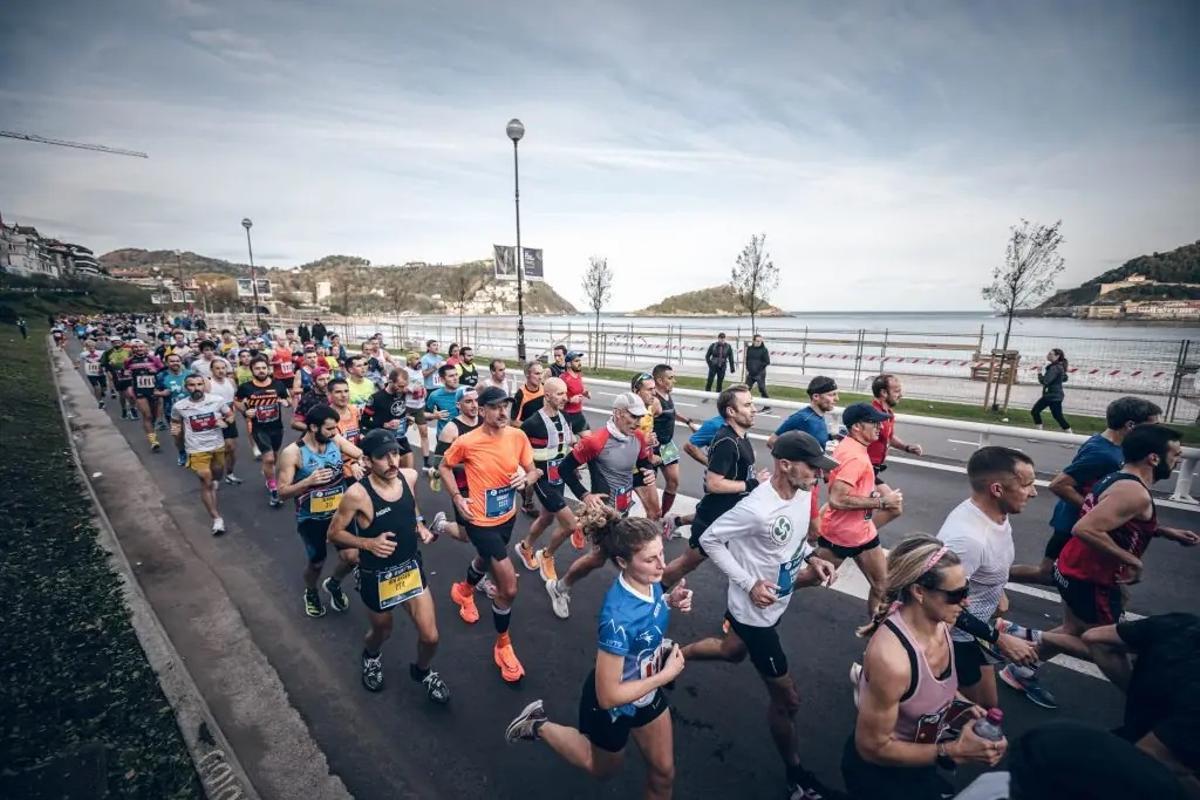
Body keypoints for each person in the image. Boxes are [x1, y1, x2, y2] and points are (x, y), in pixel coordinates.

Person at [683, 432, 839, 799]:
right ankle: (796, 775)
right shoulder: (755, 508)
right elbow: (710, 540)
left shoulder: (801, 493)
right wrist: (749, 582)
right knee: (788, 701)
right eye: (812, 467)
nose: (818, 474)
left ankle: (672, 657)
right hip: (756, 613)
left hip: (776, 600)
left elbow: (794, 540)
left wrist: (812, 558)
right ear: (785, 465)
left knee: (732, 651)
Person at [505, 511, 693, 800]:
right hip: (614, 705)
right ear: (622, 562)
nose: (662, 564)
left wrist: (669, 600)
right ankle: (538, 725)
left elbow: (650, 608)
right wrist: (664, 676)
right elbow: (608, 696)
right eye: (650, 559)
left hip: (646, 691)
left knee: (664, 773)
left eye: (662, 554)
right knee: (601, 769)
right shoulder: (617, 618)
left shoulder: (649, 581)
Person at [1005, 425, 1199, 705]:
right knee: (1106, 644)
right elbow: (1086, 527)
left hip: (1072, 568)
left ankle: (1021, 667)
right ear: (1154, 458)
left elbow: (1118, 520)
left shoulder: (1118, 477)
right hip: (1092, 578)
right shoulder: (1134, 492)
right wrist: (1131, 560)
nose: (1179, 460)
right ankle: (1144, 702)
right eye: (1175, 454)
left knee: (1074, 631)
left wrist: (1163, 531)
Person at [845, 535, 1004, 800]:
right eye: (956, 595)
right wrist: (953, 751)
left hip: (919, 758)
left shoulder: (943, 622)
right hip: (881, 777)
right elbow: (871, 747)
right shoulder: (892, 661)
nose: (966, 602)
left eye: (966, 590)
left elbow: (929, 689)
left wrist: (962, 706)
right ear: (919, 592)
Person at [326, 429, 449, 703]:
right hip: (377, 575)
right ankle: (371, 656)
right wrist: (368, 544)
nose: (393, 461)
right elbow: (334, 534)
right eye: (383, 457)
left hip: (409, 568)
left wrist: (419, 525)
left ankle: (422, 671)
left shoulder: (408, 476)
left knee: (430, 637)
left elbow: (411, 505)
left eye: (395, 453)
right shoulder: (357, 494)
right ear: (367, 461)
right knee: (382, 631)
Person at [439, 386, 541, 683]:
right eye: (495, 407)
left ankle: (464, 591)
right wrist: (457, 498)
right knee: (509, 588)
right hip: (479, 520)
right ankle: (503, 645)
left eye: (504, 406)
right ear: (482, 410)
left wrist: (526, 478)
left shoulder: (517, 436)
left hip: (506, 516)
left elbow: (534, 470)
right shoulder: (467, 441)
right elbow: (444, 466)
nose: (502, 412)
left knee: (484, 559)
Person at [936, 447, 1047, 711]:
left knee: (987, 707)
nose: (1034, 492)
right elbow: (938, 605)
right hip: (952, 636)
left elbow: (985, 567)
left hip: (976, 629)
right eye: (1027, 484)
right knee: (973, 714)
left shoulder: (994, 514)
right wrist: (1000, 639)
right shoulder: (967, 540)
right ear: (997, 489)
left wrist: (998, 589)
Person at [1010, 396, 1162, 587]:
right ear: (1130, 425)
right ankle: (987, 576)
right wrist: (1092, 511)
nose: (1158, 433)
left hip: (1082, 523)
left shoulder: (1113, 446)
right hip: (1072, 524)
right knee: (1050, 575)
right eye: (1153, 427)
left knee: (1073, 578)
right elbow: (1059, 485)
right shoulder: (1102, 453)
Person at [545, 392, 657, 619]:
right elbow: (564, 469)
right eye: (633, 417)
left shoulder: (638, 437)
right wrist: (585, 495)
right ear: (618, 413)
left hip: (624, 507)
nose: (637, 422)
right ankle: (560, 588)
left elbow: (641, 468)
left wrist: (649, 474)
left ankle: (563, 587)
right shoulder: (595, 441)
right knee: (607, 556)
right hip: (603, 514)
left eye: (640, 417)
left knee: (615, 555)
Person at [662, 385, 766, 590]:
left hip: (732, 513)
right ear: (731, 411)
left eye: (752, 404)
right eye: (747, 405)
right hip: (715, 517)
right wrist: (753, 483)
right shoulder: (727, 441)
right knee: (687, 563)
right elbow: (713, 484)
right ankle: (656, 589)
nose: (754, 409)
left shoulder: (741, 436)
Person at [1082, 613, 1200, 793]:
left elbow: (1095, 638)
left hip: (1123, 743)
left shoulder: (1180, 623)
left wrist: (1134, 689)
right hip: (1134, 776)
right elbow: (1150, 756)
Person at [276, 404, 364, 618]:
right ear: (313, 427)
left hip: (340, 514)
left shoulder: (335, 440)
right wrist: (307, 481)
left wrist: (356, 463)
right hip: (312, 518)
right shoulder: (293, 453)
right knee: (317, 563)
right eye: (329, 429)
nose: (335, 432)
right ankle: (311, 591)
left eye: (335, 428)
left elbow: (361, 454)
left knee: (352, 557)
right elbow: (282, 493)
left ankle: (333, 584)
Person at [815, 402, 903, 615]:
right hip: (842, 535)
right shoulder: (855, 457)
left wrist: (871, 495)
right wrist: (882, 502)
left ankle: (875, 628)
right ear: (856, 427)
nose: (879, 427)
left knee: (882, 585)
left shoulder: (852, 446)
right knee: (812, 577)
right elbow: (837, 499)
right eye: (873, 423)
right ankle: (775, 591)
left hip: (863, 532)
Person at [513, 377, 581, 583]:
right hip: (542, 479)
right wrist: (526, 473)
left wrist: (573, 466)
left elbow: (565, 446)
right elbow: (516, 450)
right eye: (560, 394)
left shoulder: (566, 417)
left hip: (559, 477)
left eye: (565, 393)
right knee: (570, 524)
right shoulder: (532, 423)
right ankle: (547, 555)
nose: (565, 398)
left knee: (547, 518)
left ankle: (525, 547)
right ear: (547, 395)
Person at [170, 373, 235, 535]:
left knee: (217, 474)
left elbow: (230, 416)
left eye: (199, 384)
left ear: (204, 386)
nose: (196, 388)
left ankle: (214, 483)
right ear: (186, 387)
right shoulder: (179, 406)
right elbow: (175, 422)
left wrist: (225, 422)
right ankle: (217, 519)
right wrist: (176, 431)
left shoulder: (216, 400)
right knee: (206, 480)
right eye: (192, 385)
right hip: (196, 449)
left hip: (217, 445)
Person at [234, 355, 292, 507]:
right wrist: (245, 411)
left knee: (274, 456)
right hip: (259, 428)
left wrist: (285, 402)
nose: (261, 371)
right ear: (252, 370)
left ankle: (268, 472)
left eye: (263, 368)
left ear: (268, 369)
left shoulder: (278, 384)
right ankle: (273, 487)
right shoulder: (246, 387)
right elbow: (237, 401)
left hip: (276, 427)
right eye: (257, 368)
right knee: (269, 459)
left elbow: (288, 400)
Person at [427, 387, 481, 542]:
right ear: (458, 405)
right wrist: (471, 465)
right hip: (462, 485)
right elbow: (438, 464)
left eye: (476, 400)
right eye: (468, 401)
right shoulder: (451, 429)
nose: (474, 405)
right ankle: (441, 524)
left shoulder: (484, 422)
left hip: (484, 482)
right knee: (466, 536)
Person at [649, 364, 700, 520]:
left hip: (667, 446)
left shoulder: (666, 395)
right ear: (659, 380)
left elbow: (672, 412)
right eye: (670, 378)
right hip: (651, 448)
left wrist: (688, 422)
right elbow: (641, 422)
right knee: (648, 488)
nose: (674, 381)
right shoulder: (653, 400)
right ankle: (652, 518)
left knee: (673, 481)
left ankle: (663, 517)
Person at [868, 374, 923, 485]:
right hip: (864, 467)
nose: (901, 395)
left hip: (874, 468)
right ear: (884, 393)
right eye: (897, 391)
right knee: (887, 495)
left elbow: (888, 437)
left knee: (886, 494)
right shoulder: (871, 414)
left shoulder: (888, 413)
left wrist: (906, 447)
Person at [360, 368, 415, 469]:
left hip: (400, 437)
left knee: (409, 471)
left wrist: (407, 419)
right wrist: (384, 424)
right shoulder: (376, 398)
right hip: (384, 440)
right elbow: (364, 421)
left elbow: (398, 412)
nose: (403, 389)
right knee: (390, 471)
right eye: (400, 386)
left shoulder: (402, 393)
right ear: (390, 381)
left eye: (405, 386)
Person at [769, 376, 838, 451]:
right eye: (831, 395)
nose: (837, 399)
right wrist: (794, 457)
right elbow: (772, 441)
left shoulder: (819, 416)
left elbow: (815, 439)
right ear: (816, 396)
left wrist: (832, 436)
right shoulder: (802, 418)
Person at [207, 357, 243, 486]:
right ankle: (214, 478)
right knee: (215, 451)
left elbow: (234, 399)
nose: (221, 371)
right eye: (217, 368)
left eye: (223, 368)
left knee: (231, 448)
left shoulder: (231, 381)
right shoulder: (208, 383)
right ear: (211, 370)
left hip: (229, 418)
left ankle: (230, 474)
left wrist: (239, 412)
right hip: (213, 420)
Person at [126, 340, 165, 451]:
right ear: (132, 349)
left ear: (145, 348)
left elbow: (163, 372)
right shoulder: (128, 361)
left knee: (154, 416)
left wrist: (155, 370)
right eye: (136, 347)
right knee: (147, 415)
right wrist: (129, 387)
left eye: (141, 346)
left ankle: (151, 429)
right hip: (139, 391)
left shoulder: (154, 359)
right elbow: (126, 374)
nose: (138, 349)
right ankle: (153, 441)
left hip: (154, 390)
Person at [155, 353, 194, 465]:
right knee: (178, 435)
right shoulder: (161, 376)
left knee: (192, 433)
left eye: (177, 361)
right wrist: (161, 393)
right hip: (172, 411)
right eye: (172, 361)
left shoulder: (190, 374)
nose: (175, 363)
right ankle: (182, 452)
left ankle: (194, 454)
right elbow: (153, 391)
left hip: (191, 410)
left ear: (181, 362)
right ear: (166, 363)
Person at [402, 352, 432, 467]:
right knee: (401, 432)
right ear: (409, 361)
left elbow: (421, 384)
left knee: (424, 432)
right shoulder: (405, 372)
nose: (419, 361)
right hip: (407, 406)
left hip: (419, 406)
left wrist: (424, 390)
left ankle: (426, 461)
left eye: (419, 359)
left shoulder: (420, 371)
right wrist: (411, 389)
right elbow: (399, 388)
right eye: (416, 359)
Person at [1032, 348, 1072, 432]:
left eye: (1050, 354)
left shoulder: (1055, 368)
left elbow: (1045, 381)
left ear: (1057, 356)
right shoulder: (1058, 366)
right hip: (1054, 395)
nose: (1048, 355)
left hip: (1052, 396)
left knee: (1035, 411)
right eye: (1048, 353)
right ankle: (1070, 434)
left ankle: (1038, 433)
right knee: (1057, 416)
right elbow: (1065, 378)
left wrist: (1039, 372)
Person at [291, 367, 332, 433]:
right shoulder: (307, 399)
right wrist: (317, 430)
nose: (326, 382)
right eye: (321, 380)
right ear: (313, 382)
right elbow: (295, 423)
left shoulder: (335, 394)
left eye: (328, 378)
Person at [424, 364, 460, 435]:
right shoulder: (435, 395)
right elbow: (422, 415)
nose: (455, 378)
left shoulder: (466, 391)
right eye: (451, 376)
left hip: (464, 437)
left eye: (456, 375)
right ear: (442, 380)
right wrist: (434, 416)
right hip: (444, 437)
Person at [561, 350, 591, 435]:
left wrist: (585, 393)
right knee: (572, 441)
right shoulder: (563, 378)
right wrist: (570, 400)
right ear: (568, 364)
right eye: (576, 361)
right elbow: (556, 398)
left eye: (579, 361)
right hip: (566, 416)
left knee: (589, 440)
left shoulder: (578, 375)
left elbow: (579, 390)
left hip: (578, 415)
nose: (579, 363)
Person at [79, 338, 107, 408]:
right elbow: (79, 360)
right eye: (89, 346)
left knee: (104, 387)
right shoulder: (83, 354)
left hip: (101, 372)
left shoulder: (101, 352)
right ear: (86, 347)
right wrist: (76, 365)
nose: (91, 348)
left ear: (94, 346)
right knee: (96, 387)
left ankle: (102, 392)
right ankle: (100, 401)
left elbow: (107, 357)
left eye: (92, 346)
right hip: (90, 373)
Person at [744, 333, 771, 408]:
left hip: (760, 373)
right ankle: (746, 404)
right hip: (751, 373)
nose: (759, 342)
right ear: (753, 341)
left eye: (760, 341)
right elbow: (747, 359)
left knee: (762, 389)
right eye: (757, 341)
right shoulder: (750, 349)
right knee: (745, 388)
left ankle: (767, 406)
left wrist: (758, 368)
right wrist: (748, 368)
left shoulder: (764, 350)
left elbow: (767, 362)